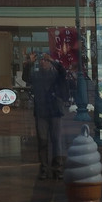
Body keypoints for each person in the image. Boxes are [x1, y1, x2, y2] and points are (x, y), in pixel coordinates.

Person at [22, 51, 67, 179]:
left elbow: (63, 73)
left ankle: (57, 169)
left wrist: (53, 60)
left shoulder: (55, 74)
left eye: (46, 60)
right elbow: (25, 77)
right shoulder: (36, 76)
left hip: (55, 111)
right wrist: (29, 63)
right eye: (41, 60)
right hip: (41, 112)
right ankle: (44, 169)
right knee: (43, 141)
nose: (43, 62)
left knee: (56, 141)